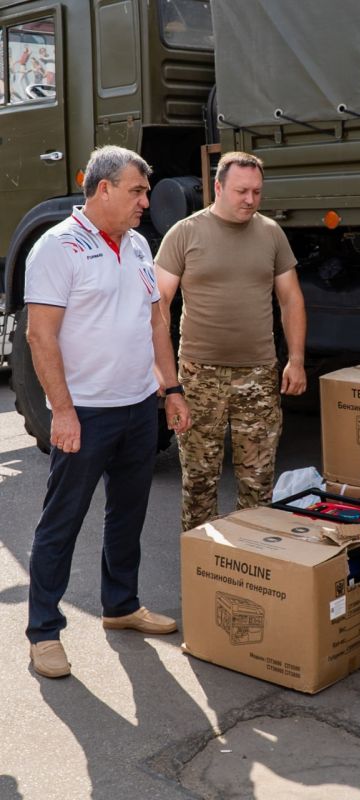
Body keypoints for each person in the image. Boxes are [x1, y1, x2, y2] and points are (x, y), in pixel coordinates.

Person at [25, 145, 191, 679]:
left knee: (128, 513)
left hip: (138, 407)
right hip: (86, 413)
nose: (146, 201)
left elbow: (156, 322)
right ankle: (44, 632)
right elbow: (40, 335)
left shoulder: (139, 244)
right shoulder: (58, 247)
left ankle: (120, 605)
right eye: (137, 191)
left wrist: (170, 389)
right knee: (63, 521)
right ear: (104, 189)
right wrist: (63, 412)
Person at [155, 151, 307, 531]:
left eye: (257, 192)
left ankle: (249, 559)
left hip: (258, 375)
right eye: (242, 191)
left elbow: (291, 299)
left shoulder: (271, 233)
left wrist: (297, 360)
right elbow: (159, 304)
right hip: (199, 376)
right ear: (218, 188)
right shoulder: (185, 233)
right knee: (199, 483)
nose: (250, 200)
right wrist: (164, 374)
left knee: (258, 484)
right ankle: (202, 560)